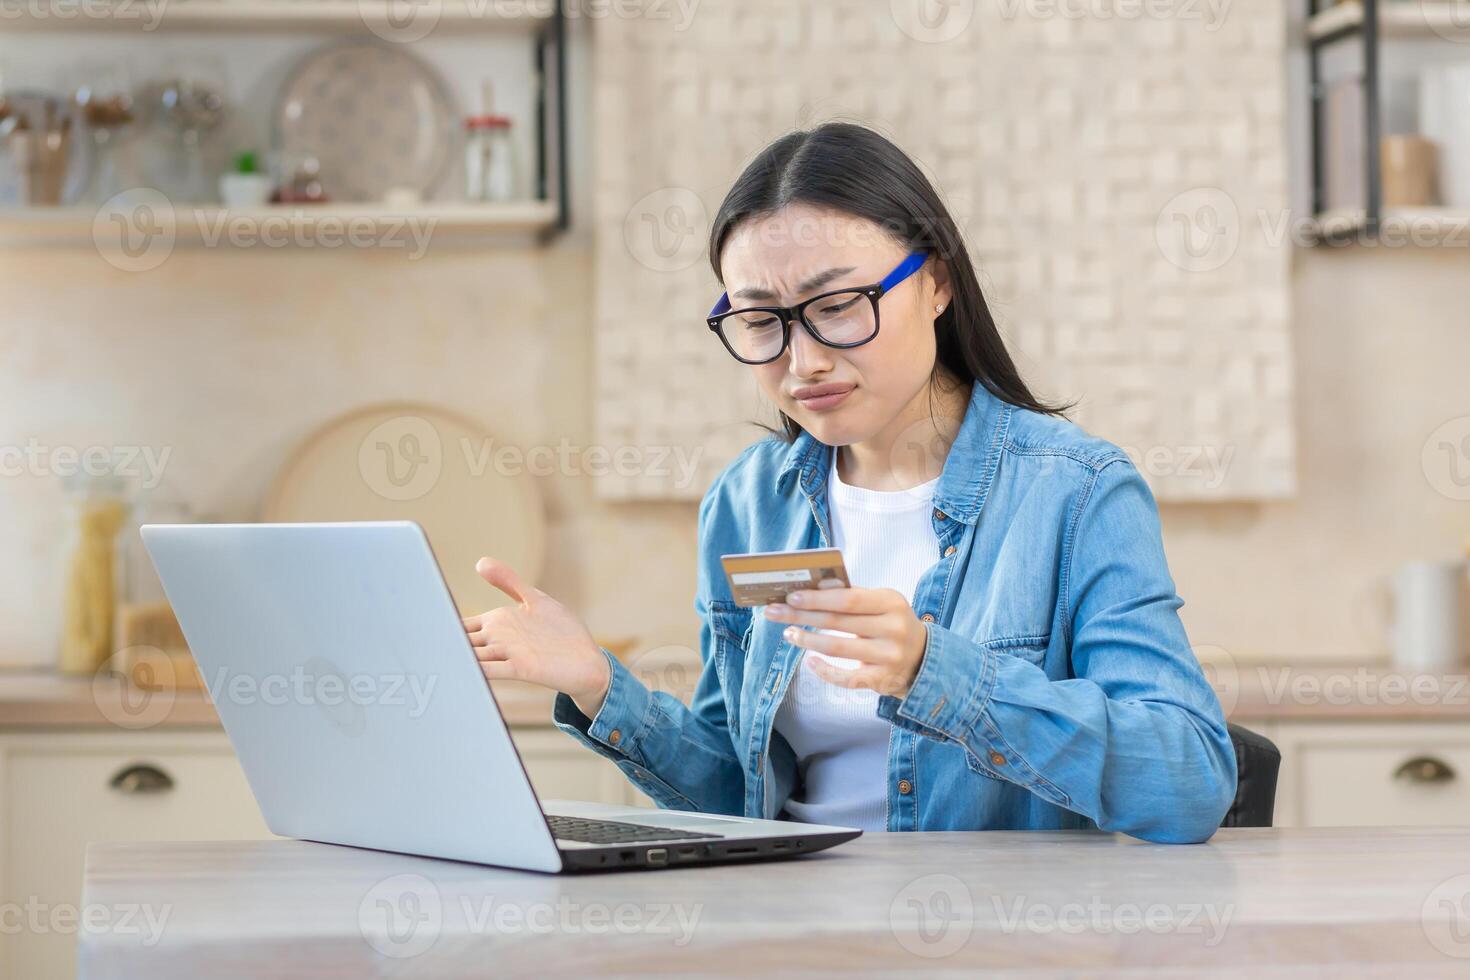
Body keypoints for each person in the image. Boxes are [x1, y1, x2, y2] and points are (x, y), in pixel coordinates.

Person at [463, 122, 1236, 844]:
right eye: (762, 321)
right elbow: (741, 797)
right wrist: (600, 684)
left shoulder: (1076, 491)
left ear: (935, 283)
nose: (804, 362)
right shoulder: (748, 503)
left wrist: (934, 670)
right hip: (797, 926)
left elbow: (1192, 777)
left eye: (836, 306)